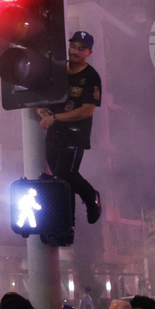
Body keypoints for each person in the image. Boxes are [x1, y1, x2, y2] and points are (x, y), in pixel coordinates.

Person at [36, 31, 102, 224]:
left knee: (65, 174)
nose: (75, 52)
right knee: (60, 181)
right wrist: (42, 111)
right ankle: (68, 223)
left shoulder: (91, 77)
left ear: (89, 53)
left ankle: (91, 197)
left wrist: (55, 118)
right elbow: (41, 98)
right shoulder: (57, 70)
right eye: (73, 46)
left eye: (81, 49)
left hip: (75, 135)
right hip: (53, 133)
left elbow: (87, 111)